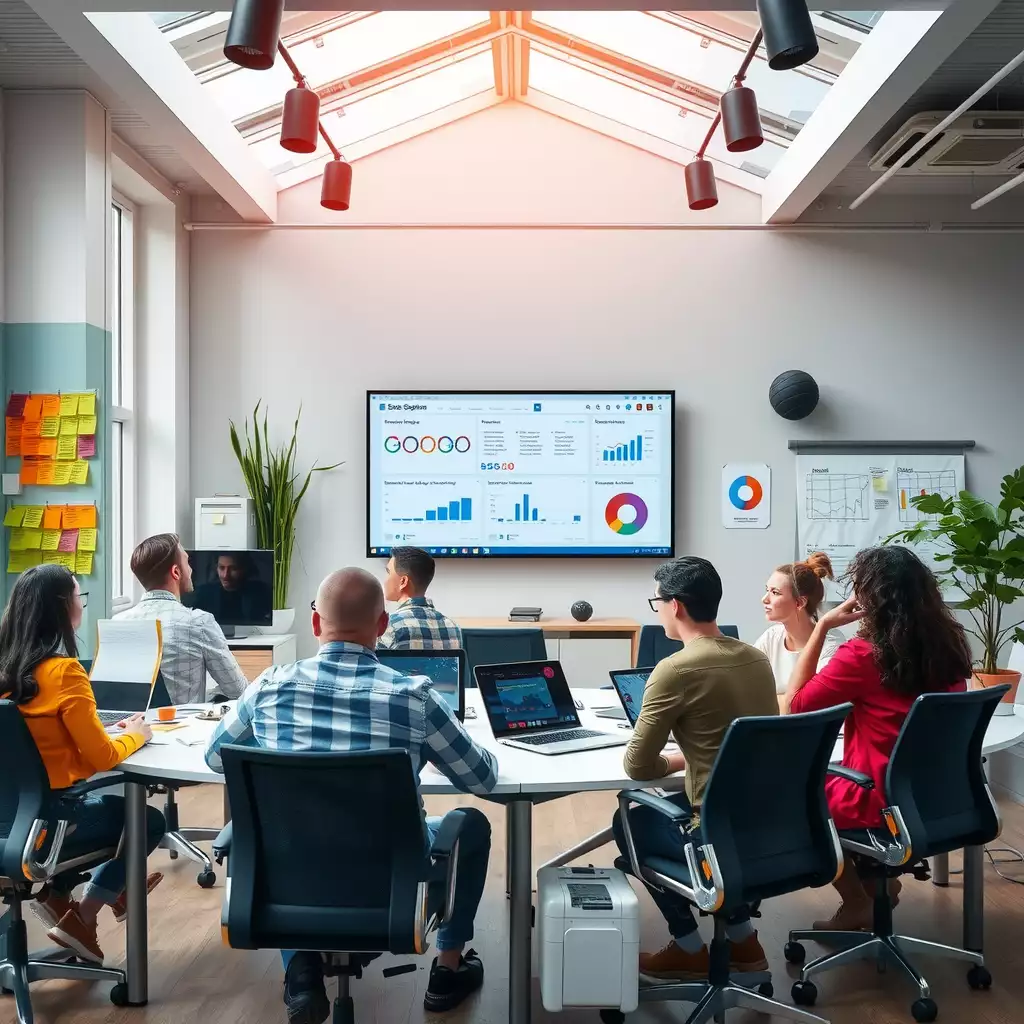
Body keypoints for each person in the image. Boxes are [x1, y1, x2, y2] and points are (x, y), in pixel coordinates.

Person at [205, 567, 498, 1024]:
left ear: (315, 624)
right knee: (471, 824)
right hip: (391, 880)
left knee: (288, 834)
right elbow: (481, 778)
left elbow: (215, 757)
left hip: (291, 876)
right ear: (383, 627)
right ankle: (447, 969)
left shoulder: (267, 687)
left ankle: (300, 968)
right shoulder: (415, 697)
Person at [784, 546, 972, 931]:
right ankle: (877, 884)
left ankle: (858, 902)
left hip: (879, 797)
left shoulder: (862, 655)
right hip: (938, 796)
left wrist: (821, 627)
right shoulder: (949, 647)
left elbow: (797, 704)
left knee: (790, 791)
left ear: (870, 600)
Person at [612, 556, 778, 980]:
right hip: (767, 823)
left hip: (714, 829)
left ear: (677, 607)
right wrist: (697, 753)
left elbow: (637, 765)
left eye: (658, 601)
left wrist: (676, 757)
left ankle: (688, 946)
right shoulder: (757, 660)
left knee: (629, 821)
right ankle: (744, 940)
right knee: (681, 810)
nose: (659, 609)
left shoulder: (675, 669)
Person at [0, 564, 166, 964]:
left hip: (7, 824)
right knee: (146, 821)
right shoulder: (64, 672)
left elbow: (36, 749)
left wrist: (106, 734)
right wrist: (137, 735)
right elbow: (102, 758)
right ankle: (85, 914)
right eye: (79, 595)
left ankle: (65, 897)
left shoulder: (7, 671)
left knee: (106, 818)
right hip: (48, 826)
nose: (81, 604)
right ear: (63, 607)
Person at [115, 534, 249, 704]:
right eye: (187, 562)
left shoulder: (117, 623)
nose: (191, 570)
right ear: (176, 572)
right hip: (183, 727)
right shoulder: (199, 623)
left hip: (130, 729)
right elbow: (238, 690)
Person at [753, 552, 842, 703]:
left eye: (775, 593)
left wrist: (768, 702)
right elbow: (746, 689)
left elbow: (809, 704)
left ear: (800, 603)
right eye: (767, 590)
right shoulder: (771, 637)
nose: (764, 599)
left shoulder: (831, 646)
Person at [378, 546, 462, 650]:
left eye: (388, 572)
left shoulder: (389, 626)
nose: (385, 580)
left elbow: (376, 665)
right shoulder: (453, 628)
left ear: (403, 582)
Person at [190, 551, 273, 625]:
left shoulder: (261, 592)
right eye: (221, 568)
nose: (225, 575)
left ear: (244, 569)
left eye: (233, 569)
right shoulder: (204, 593)